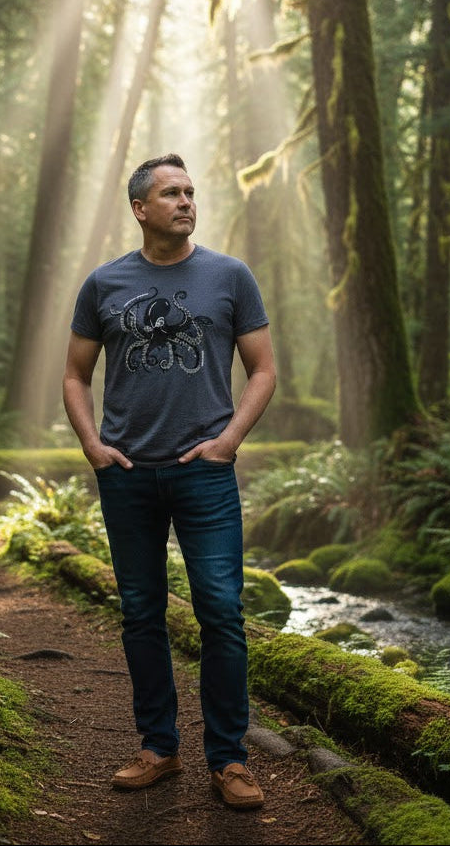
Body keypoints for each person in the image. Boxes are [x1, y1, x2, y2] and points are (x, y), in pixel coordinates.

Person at [61, 152, 277, 810]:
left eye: (189, 191)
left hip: (204, 476)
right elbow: (74, 374)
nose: (185, 201)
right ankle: (158, 746)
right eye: (170, 193)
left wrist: (228, 442)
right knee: (140, 612)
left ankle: (230, 758)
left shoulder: (229, 276)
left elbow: (263, 368)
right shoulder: (104, 283)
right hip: (127, 475)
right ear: (139, 208)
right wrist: (94, 446)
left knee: (220, 609)